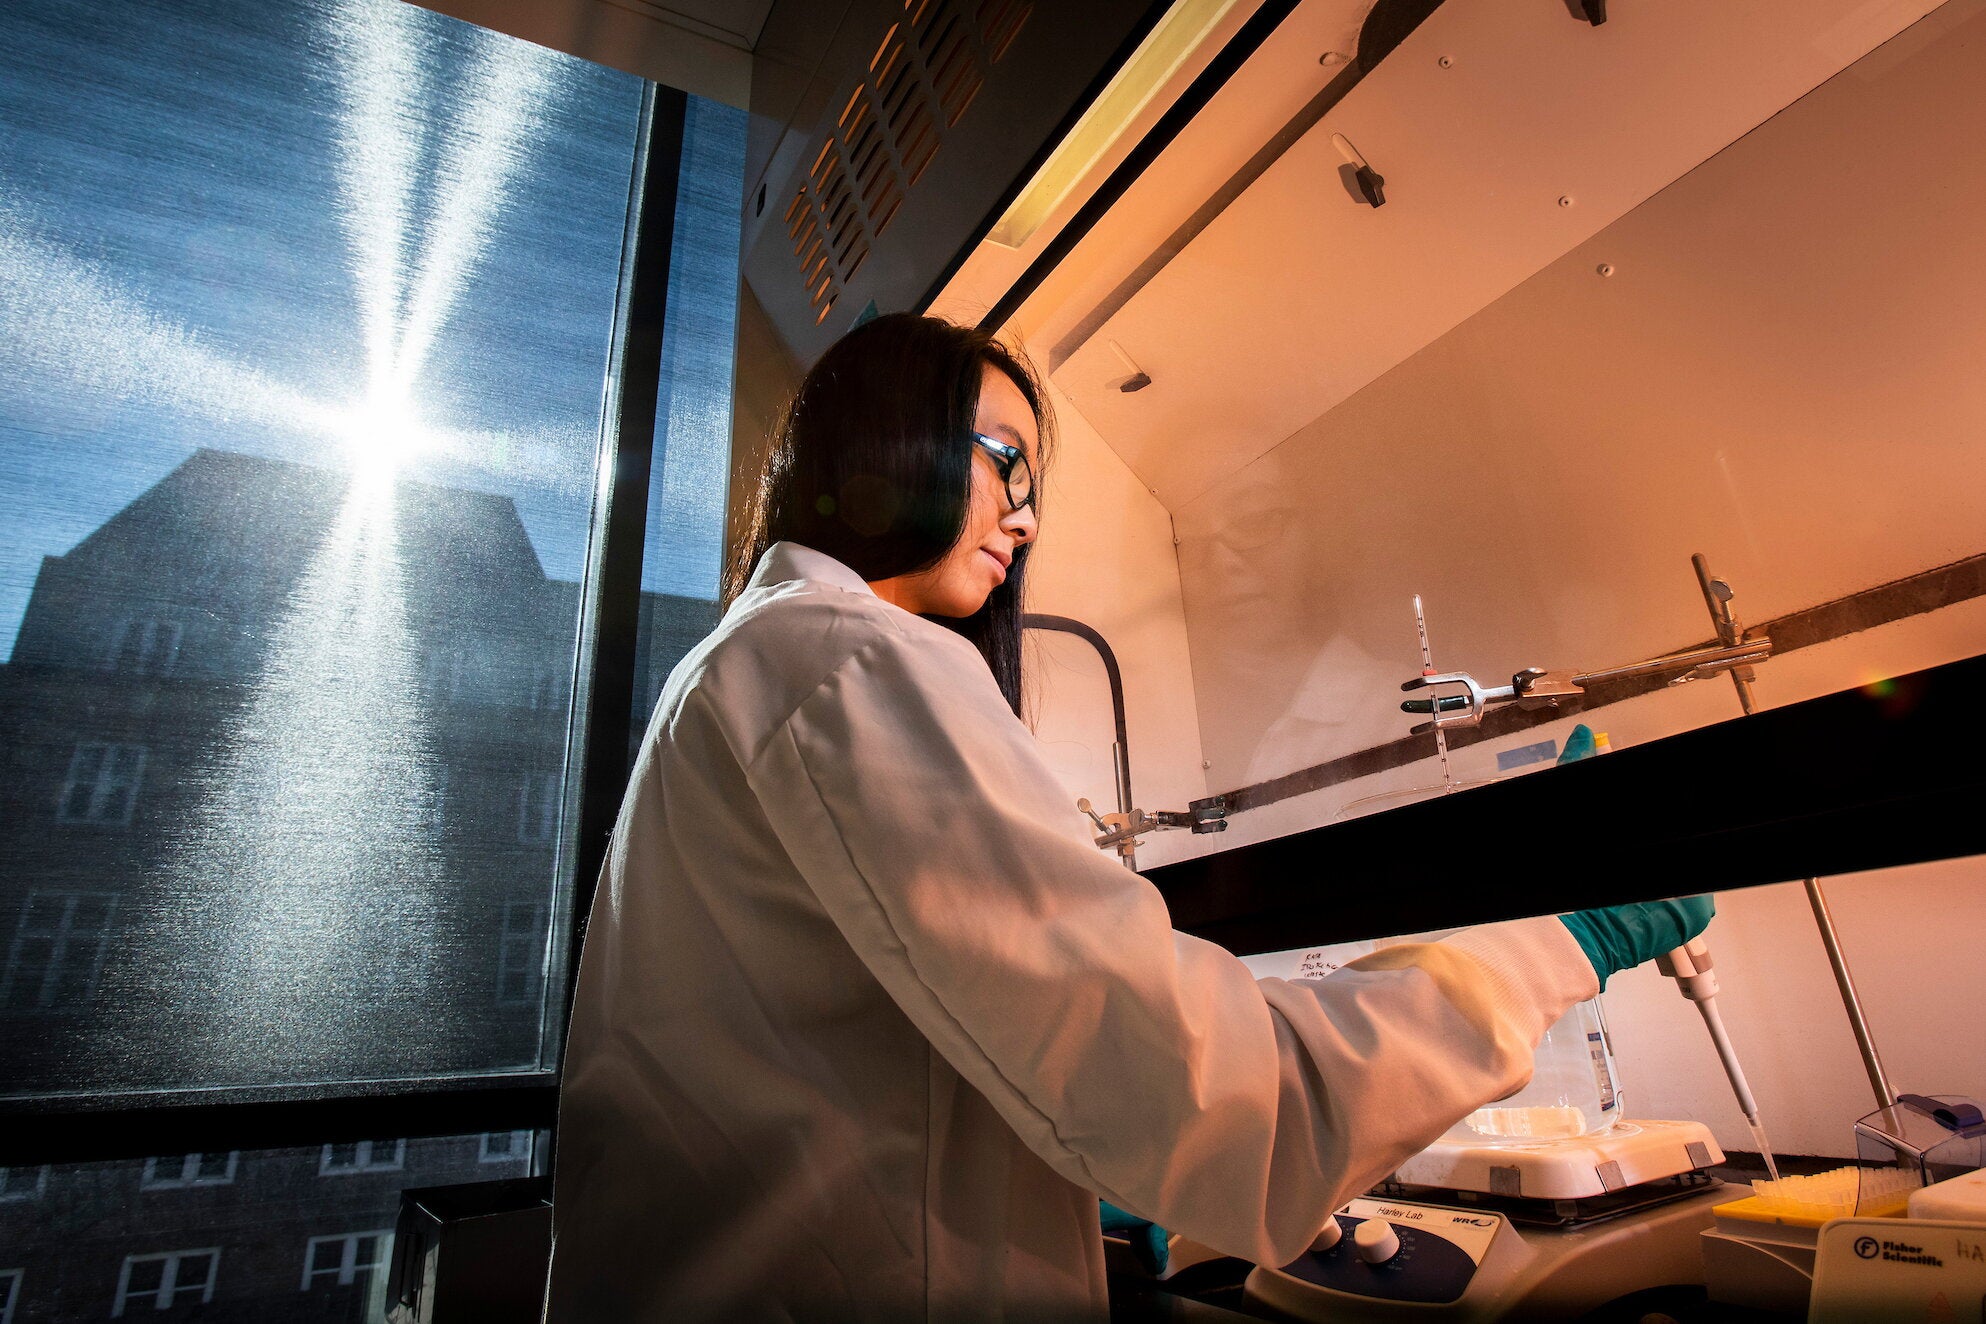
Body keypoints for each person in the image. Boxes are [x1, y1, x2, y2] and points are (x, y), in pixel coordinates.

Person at [542, 313, 1711, 1322]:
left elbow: (886, 1049)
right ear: (887, 444)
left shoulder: (754, 663)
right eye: (1006, 461)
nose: (1025, 520)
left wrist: (1065, 1179)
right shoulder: (849, 658)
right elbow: (1218, 1093)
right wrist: (1562, 936)